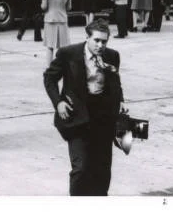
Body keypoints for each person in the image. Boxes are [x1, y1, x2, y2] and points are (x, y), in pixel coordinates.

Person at [43, 18, 126, 196]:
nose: (100, 45)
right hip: (77, 117)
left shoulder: (112, 56)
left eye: (104, 41)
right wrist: (58, 102)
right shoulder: (68, 54)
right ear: (87, 37)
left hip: (103, 118)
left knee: (102, 170)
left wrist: (121, 101)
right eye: (96, 40)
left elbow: (115, 82)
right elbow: (49, 78)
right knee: (81, 168)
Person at [41, 0, 72, 65]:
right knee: (62, 46)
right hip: (62, 19)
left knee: (50, 46)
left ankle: (49, 67)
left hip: (50, 19)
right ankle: (61, 65)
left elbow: (44, 7)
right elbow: (69, 7)